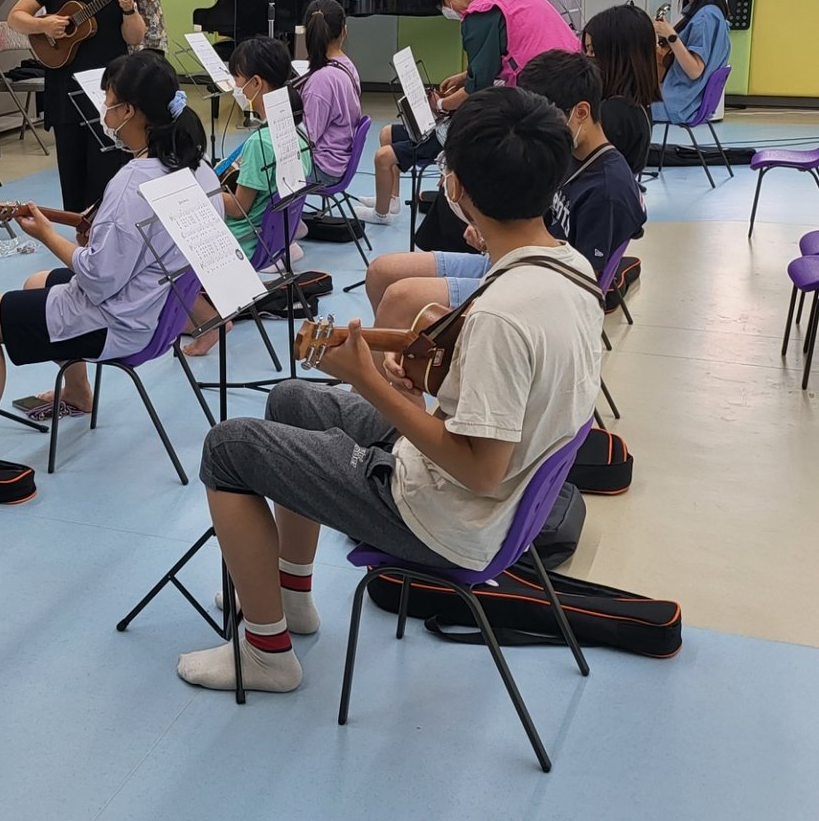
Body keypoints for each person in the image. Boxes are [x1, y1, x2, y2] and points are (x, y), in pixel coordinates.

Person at [175, 86, 603, 692]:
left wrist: (370, 381)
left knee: (228, 447)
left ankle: (266, 652)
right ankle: (290, 594)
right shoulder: (569, 267)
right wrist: (427, 372)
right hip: (495, 501)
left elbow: (480, 471)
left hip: (449, 519)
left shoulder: (502, 315)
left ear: (457, 187)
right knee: (291, 400)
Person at [0, 53, 220, 456]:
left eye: (108, 103)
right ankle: (77, 393)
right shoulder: (197, 165)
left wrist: (46, 235)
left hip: (121, 321)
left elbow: (98, 278)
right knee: (35, 283)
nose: (105, 112)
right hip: (161, 311)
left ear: (129, 112)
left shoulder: (131, 184)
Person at [367, 50, 645, 331]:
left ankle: (394, 356)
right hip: (510, 258)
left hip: (534, 290)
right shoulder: (564, 151)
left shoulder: (608, 190)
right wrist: (493, 235)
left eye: (544, 114)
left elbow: (580, 285)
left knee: (400, 299)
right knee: (380, 273)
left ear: (581, 112)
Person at [354, 0, 578, 226]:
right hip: (571, 72)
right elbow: (500, 54)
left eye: (441, 7)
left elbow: (478, 88)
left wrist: (441, 104)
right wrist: (464, 76)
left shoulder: (480, 15)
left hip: (546, 89)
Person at [9, 0, 145, 212]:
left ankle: (108, 230)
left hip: (109, 90)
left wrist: (129, 9)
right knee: (72, 175)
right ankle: (78, 233)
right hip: (65, 89)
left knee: (108, 171)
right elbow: (15, 17)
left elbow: (135, 37)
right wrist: (44, 25)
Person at [183, 36, 312, 358]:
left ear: (256, 83)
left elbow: (238, 209)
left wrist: (202, 192)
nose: (237, 87)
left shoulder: (259, 143)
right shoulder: (297, 133)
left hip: (245, 241)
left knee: (166, 242)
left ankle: (209, 321)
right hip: (275, 239)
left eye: (238, 79)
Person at [653, 0, 731, 126]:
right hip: (685, 99)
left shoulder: (705, 18)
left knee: (618, 106)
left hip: (681, 104)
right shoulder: (709, 12)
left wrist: (671, 36)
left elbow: (695, 70)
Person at [582, 3, 662, 174]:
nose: (586, 59)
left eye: (592, 52)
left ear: (617, 56)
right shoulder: (632, 105)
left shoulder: (613, 113)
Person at [296, 0, 361, 187]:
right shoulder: (347, 65)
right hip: (338, 161)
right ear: (344, 31)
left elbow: (305, 139)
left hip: (322, 168)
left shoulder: (322, 80)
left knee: (260, 172)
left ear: (307, 32)